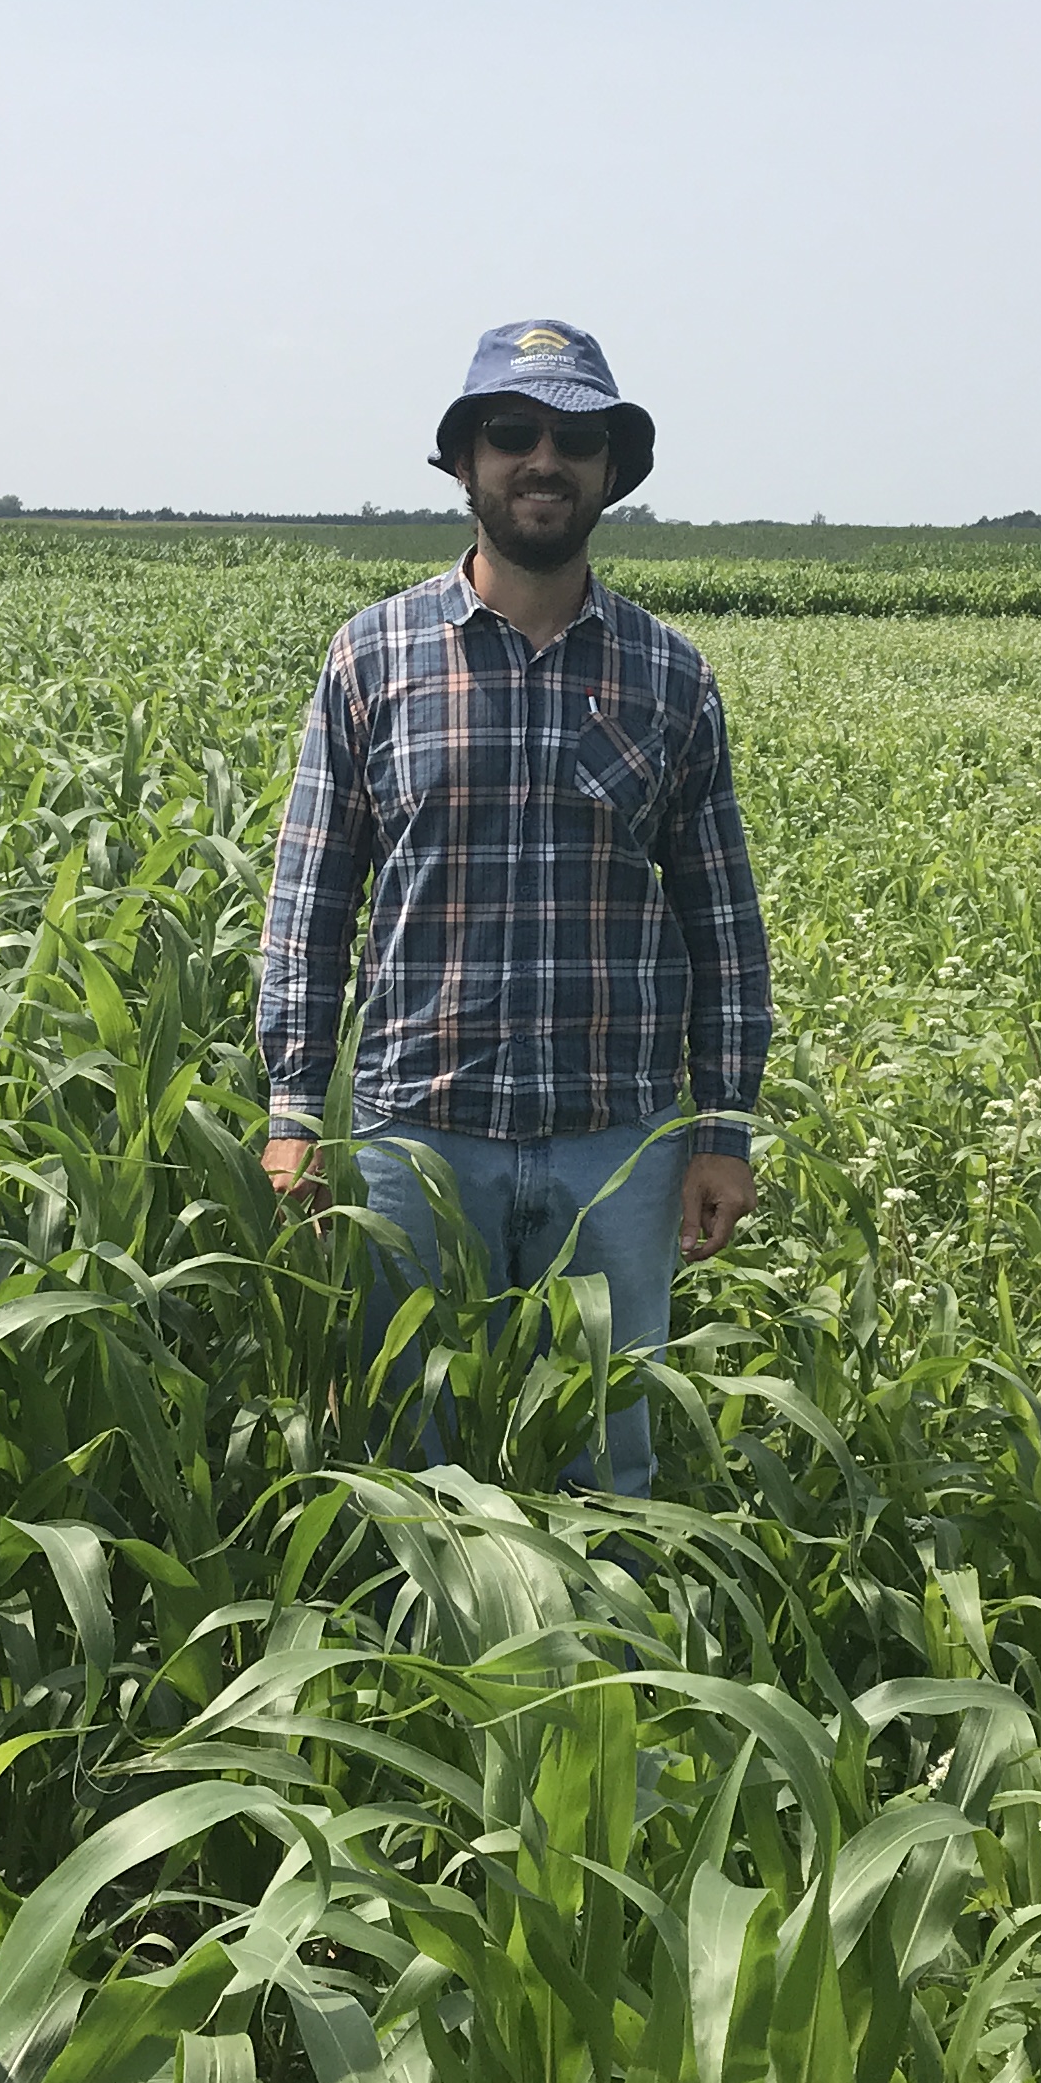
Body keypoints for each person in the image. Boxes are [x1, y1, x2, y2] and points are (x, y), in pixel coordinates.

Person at [256, 319, 773, 1499]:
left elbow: (723, 922)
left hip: (616, 1143)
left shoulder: (670, 676)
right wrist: (294, 1109)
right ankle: (415, 1674)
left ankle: (595, 1674)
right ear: (463, 460)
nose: (543, 459)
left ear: (608, 470)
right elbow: (311, 899)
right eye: (512, 433)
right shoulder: (372, 657)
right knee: (406, 1449)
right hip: (416, 1135)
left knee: (607, 1453)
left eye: (574, 438)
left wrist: (724, 1126)